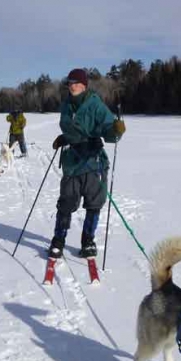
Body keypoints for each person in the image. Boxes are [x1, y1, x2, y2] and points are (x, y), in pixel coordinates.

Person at [48, 68, 126, 259]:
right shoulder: (66, 105)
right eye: (70, 83)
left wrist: (116, 130)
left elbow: (109, 129)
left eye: (76, 83)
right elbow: (70, 128)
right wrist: (65, 138)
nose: (72, 86)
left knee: (94, 203)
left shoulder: (95, 104)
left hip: (93, 161)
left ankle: (88, 241)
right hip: (72, 161)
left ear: (84, 85)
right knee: (66, 202)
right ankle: (58, 240)